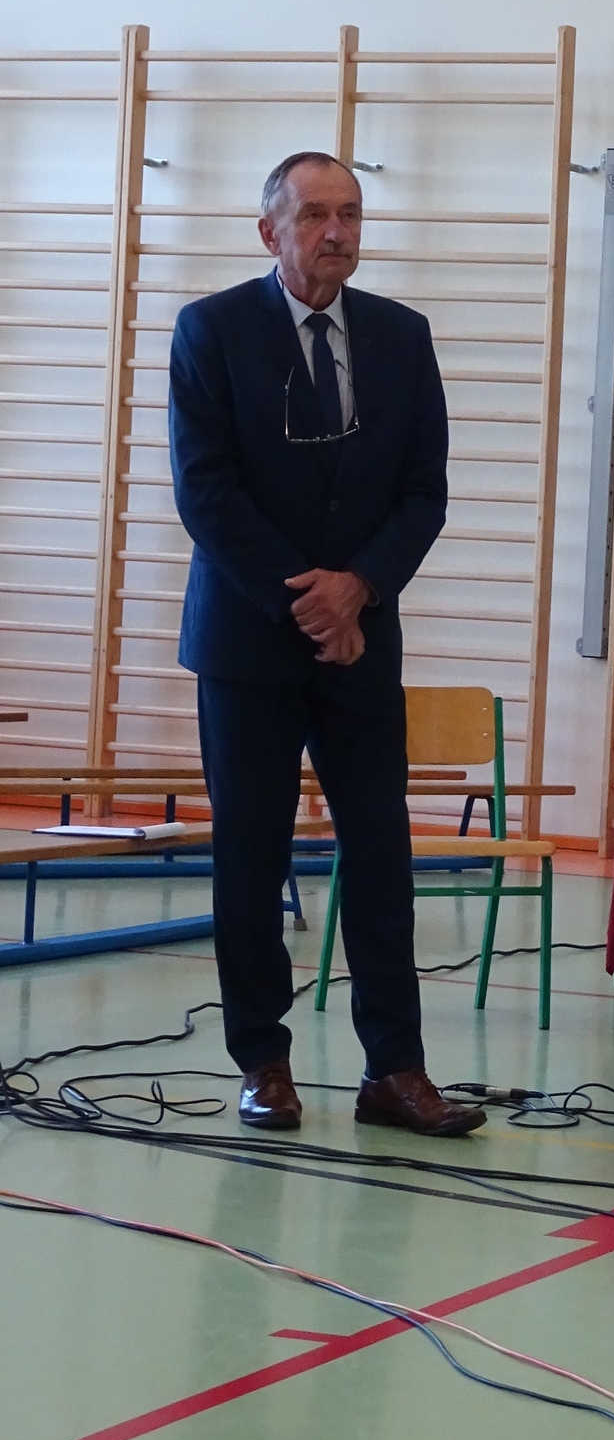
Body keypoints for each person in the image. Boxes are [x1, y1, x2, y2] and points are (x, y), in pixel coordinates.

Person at [167, 152, 484, 1137]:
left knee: (381, 853)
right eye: (313, 215)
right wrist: (306, 600)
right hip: (249, 640)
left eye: (349, 214)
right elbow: (205, 490)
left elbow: (423, 491)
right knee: (250, 856)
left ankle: (396, 1069)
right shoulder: (212, 330)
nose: (335, 231)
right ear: (271, 232)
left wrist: (359, 588)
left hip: (362, 639)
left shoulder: (401, 335)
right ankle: (262, 1062)